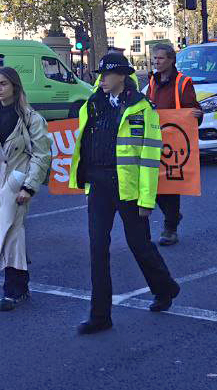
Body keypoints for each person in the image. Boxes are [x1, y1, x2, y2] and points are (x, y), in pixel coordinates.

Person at [69, 51, 180, 335]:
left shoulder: (142, 108)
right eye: (100, 75)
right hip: (98, 184)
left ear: (122, 76)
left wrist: (146, 199)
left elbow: (149, 157)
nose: (101, 80)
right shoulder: (92, 104)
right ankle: (99, 315)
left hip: (127, 186)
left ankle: (164, 288)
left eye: (107, 74)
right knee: (97, 249)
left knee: (139, 244)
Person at [0, 66, 52, 311]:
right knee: (3, 233)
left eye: (3, 84)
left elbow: (41, 155)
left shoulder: (32, 118)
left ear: (15, 87)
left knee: (11, 233)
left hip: (17, 180)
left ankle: (13, 289)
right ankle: (20, 284)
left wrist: (29, 187)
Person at [146, 43, 202, 246]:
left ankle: (170, 228)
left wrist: (197, 114)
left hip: (175, 141)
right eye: (154, 59)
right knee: (155, 185)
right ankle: (173, 216)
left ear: (171, 60)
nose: (156, 62)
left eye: (160, 58)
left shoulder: (183, 83)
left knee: (170, 185)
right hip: (155, 138)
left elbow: (193, 109)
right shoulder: (152, 81)